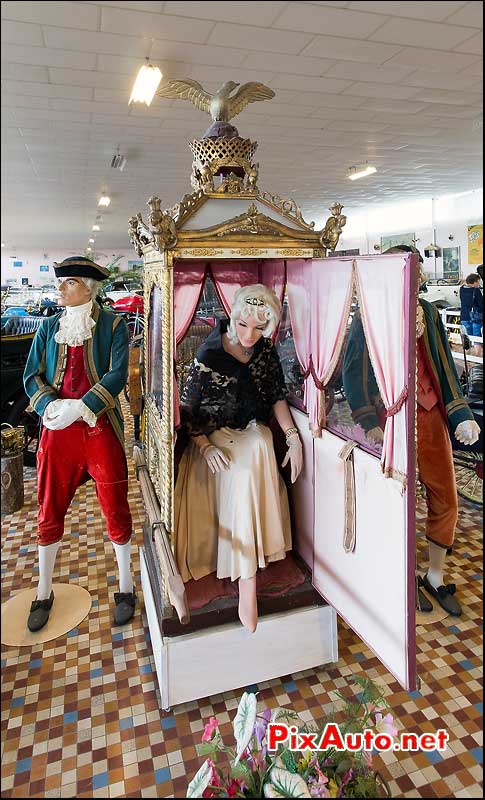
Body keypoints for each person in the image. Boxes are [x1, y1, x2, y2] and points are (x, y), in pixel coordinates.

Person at [174, 284, 303, 633]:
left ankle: (261, 559)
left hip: (250, 429)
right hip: (213, 434)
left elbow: (277, 396)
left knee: (263, 443)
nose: (250, 335)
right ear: (234, 316)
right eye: (244, 325)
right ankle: (246, 576)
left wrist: (293, 438)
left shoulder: (265, 351)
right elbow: (188, 410)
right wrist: (204, 446)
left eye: (259, 328)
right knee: (244, 471)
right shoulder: (209, 352)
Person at [23, 256, 136, 631]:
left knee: (114, 504)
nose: (60, 289)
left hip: (98, 427)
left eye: (68, 282)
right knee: (49, 506)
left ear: (88, 287)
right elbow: (32, 374)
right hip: (58, 431)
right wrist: (50, 405)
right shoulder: (49, 327)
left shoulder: (114, 325)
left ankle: (126, 584)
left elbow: (117, 374)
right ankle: (43, 591)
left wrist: (84, 406)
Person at [383, 245, 480, 616]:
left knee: (445, 498)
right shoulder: (371, 314)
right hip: (389, 421)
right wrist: (366, 426)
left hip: (429, 416)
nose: (417, 276)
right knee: (396, 503)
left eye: (419, 269)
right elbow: (356, 374)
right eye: (411, 269)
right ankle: (399, 574)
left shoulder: (427, 312)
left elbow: (442, 366)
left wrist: (461, 415)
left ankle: (435, 576)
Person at [460, 272, 483, 357]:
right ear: (475, 282)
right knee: (477, 336)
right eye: (478, 281)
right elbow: (481, 304)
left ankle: (467, 356)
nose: (479, 283)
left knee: (467, 337)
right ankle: (477, 357)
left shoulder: (461, 289)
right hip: (476, 317)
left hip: (464, 316)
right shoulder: (476, 290)